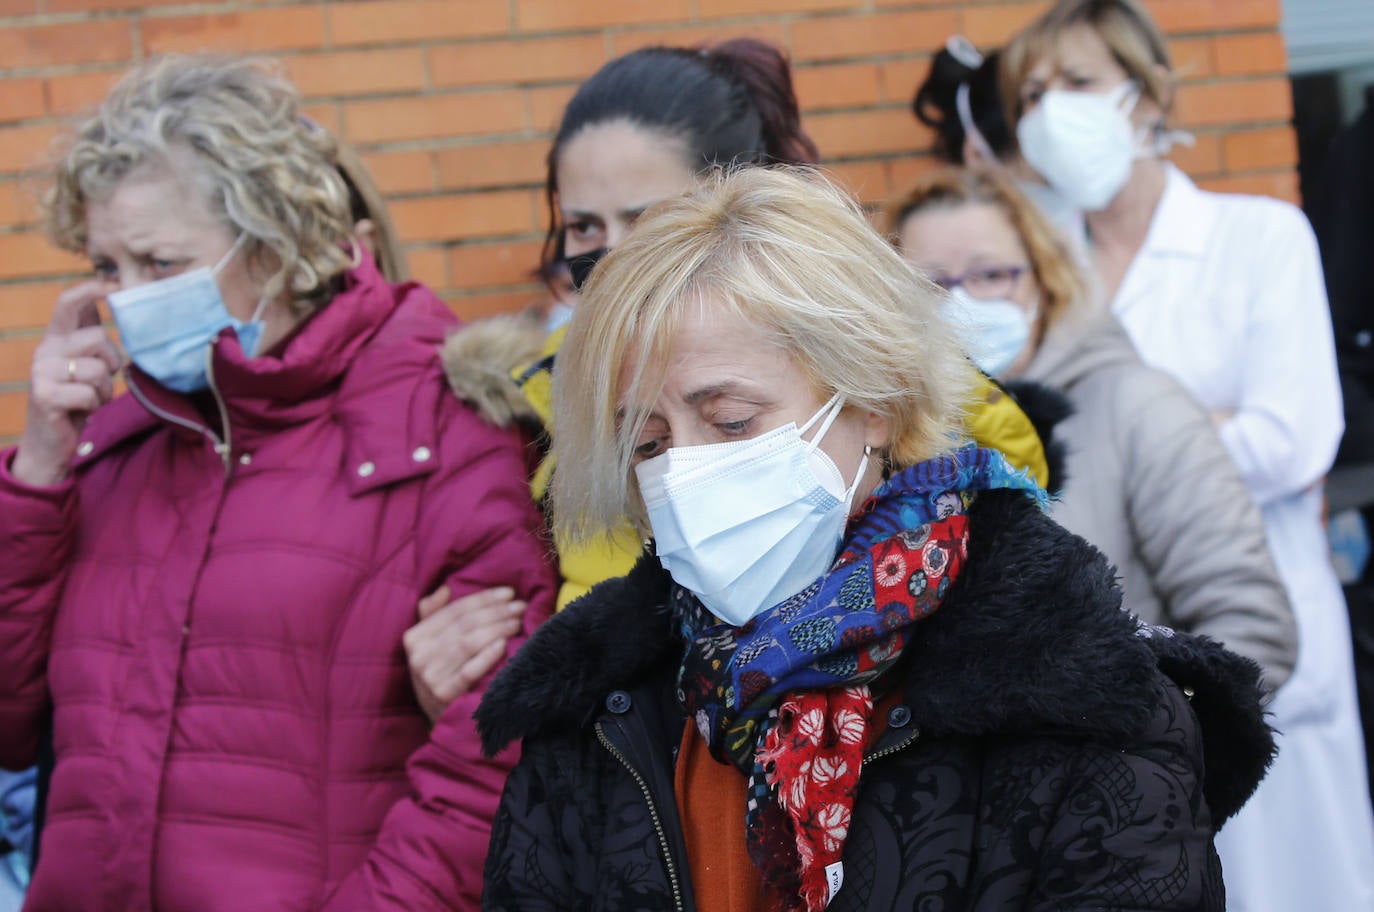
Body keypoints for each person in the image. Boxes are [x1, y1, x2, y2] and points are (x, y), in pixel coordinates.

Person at [476, 165, 1274, 912]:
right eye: (647, 445)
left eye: (731, 422)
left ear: (877, 402)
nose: (682, 474)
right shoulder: (591, 719)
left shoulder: (1081, 703)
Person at [0, 54, 556, 910]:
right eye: (108, 269)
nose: (130, 298)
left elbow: (487, 766)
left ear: (275, 241)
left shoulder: (437, 423)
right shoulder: (110, 445)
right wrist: (37, 473)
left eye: (159, 261)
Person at [1002, 1, 1374, 908]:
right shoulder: (1045, 267)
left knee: (1294, 878)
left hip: (1258, 609)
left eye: (1080, 83)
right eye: (1036, 92)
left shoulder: (1258, 236)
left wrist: (1136, 449)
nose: (1055, 110)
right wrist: (1193, 421)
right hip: (1109, 647)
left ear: (1149, 94)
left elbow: (1294, 440)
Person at [887, 166, 1295, 691]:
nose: (962, 302)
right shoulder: (896, 443)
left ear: (1044, 279)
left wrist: (1147, 754)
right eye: (933, 284)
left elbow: (1251, 626)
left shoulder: (1140, 407)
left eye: (991, 275)